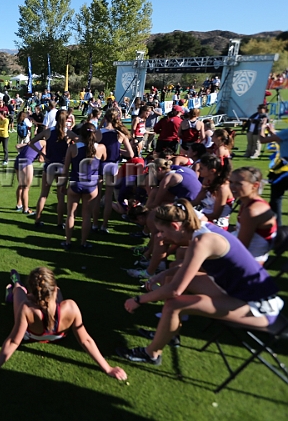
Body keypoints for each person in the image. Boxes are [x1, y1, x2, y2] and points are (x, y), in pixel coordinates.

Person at [118, 199, 283, 365]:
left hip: (258, 307)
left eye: (162, 231)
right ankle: (170, 334)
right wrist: (163, 274)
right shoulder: (203, 230)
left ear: (175, 226)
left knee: (174, 304)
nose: (160, 236)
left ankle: (151, 354)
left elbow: (175, 290)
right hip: (237, 291)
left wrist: (139, 300)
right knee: (170, 278)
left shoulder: (202, 242)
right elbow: (186, 269)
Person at [0, 267, 126, 380]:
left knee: (18, 292)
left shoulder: (27, 308)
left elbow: (14, 341)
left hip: (31, 336)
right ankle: (29, 290)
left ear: (32, 294)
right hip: (59, 335)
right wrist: (108, 369)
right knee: (57, 298)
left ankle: (15, 285)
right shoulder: (71, 307)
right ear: (53, 289)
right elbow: (86, 340)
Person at [63, 123, 106, 249]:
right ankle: (83, 242)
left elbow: (65, 170)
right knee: (87, 215)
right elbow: (105, 159)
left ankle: (68, 242)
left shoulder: (73, 148)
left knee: (71, 214)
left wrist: (62, 185)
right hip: (91, 185)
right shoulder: (100, 147)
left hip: (75, 183)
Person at [229, 167, 277, 264]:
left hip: (247, 263)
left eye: (238, 183)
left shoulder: (252, 211)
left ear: (255, 185)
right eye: (231, 182)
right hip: (243, 255)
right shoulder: (246, 202)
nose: (232, 186)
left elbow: (241, 248)